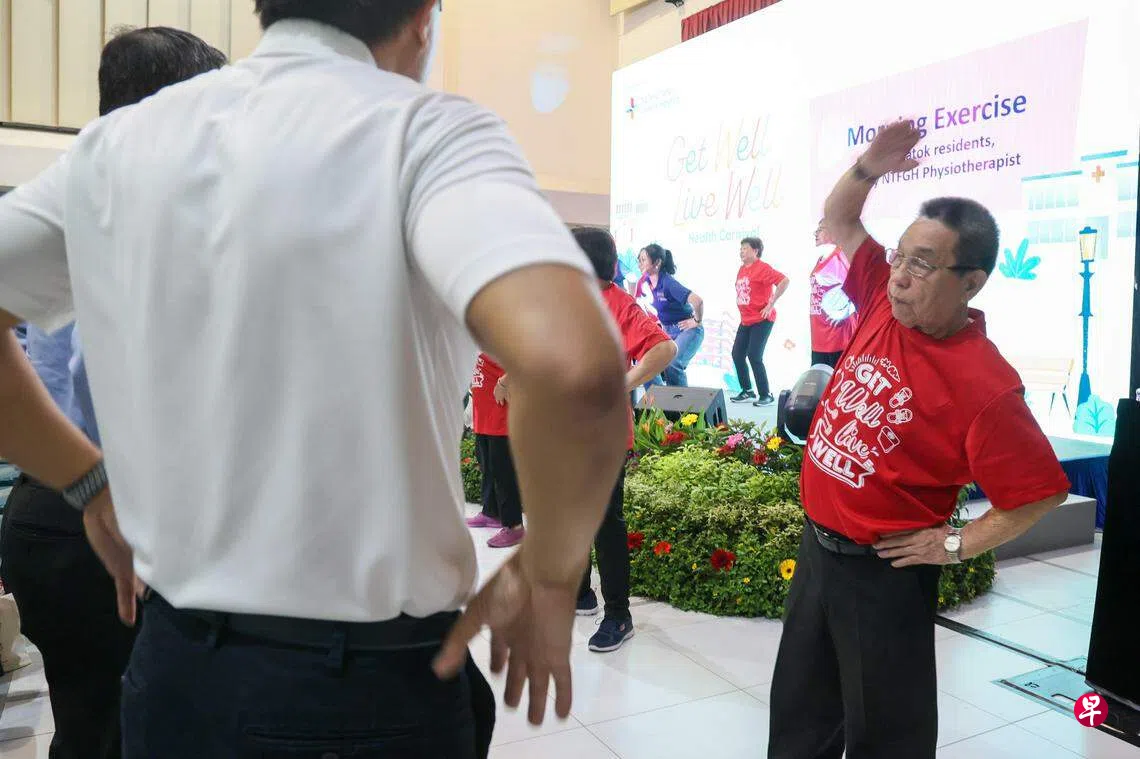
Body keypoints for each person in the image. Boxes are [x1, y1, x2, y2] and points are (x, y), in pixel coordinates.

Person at [0, 2, 632, 756]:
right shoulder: (425, 132)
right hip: (366, 692)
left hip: (178, 677)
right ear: (423, 19)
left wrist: (85, 480)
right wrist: (552, 573)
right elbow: (577, 371)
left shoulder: (118, 146)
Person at [767, 121, 1070, 759]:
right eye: (900, 256)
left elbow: (1038, 494)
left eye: (922, 264)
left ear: (972, 281)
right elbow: (839, 219)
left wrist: (955, 543)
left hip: (885, 576)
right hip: (818, 552)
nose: (899, 276)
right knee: (799, 717)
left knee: (888, 737)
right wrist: (867, 169)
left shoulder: (985, 385)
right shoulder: (883, 300)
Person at [0, 27, 227, 759]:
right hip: (105, 513)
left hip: (49, 507)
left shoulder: (65, 195)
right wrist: (95, 483)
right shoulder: (129, 203)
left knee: (90, 724)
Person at [571, 227, 676, 653]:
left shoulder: (620, 304)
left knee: (604, 523)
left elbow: (664, 349)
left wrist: (622, 384)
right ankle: (581, 594)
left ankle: (618, 615)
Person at [466, 352, 525, 548]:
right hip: (483, 410)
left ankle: (514, 526)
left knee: (503, 468)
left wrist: (504, 383)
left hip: (501, 408)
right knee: (487, 463)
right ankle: (492, 512)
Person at [633, 243, 705, 386]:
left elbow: (698, 301)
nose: (639, 264)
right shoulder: (646, 281)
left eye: (643, 260)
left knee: (673, 363)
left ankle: (678, 400)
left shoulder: (668, 283)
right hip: (667, 330)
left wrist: (697, 321)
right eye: (639, 260)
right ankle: (659, 398)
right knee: (646, 362)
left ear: (657, 263)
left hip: (687, 330)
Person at [731, 237, 788, 406]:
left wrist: (771, 304)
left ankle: (766, 394)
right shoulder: (742, 269)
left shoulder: (763, 268)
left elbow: (784, 281)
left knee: (754, 355)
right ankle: (747, 390)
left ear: (755, 251)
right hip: (746, 320)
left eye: (745, 248)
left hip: (762, 319)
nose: (741, 251)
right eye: (741, 248)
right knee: (737, 354)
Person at [808, 219, 858, 369]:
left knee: (839, 376)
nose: (816, 234)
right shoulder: (822, 257)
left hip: (838, 333)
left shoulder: (840, 256)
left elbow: (860, 287)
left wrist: (847, 311)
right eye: (816, 230)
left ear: (834, 232)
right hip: (819, 332)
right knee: (819, 377)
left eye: (821, 229)